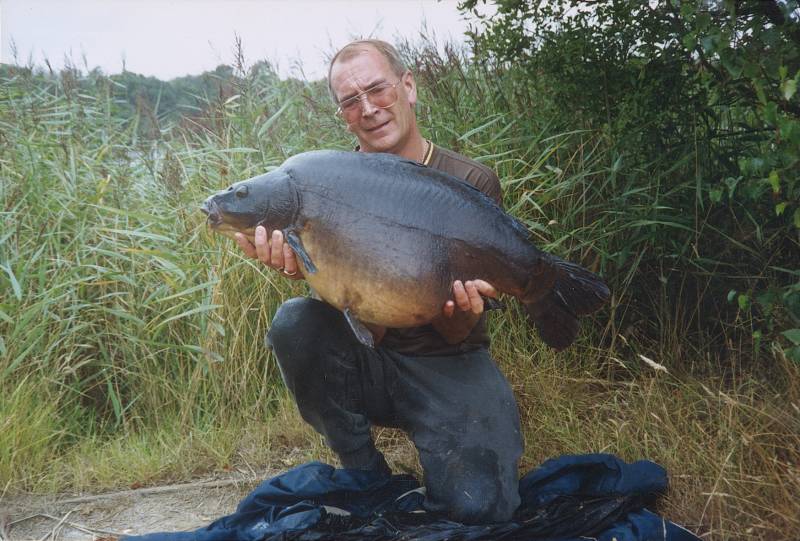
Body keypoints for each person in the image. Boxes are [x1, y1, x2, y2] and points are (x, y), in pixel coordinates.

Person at [234, 39, 523, 524]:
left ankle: (449, 446)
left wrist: (464, 311)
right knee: (295, 322)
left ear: (407, 87)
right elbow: (344, 307)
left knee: (480, 511)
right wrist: (299, 267)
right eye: (350, 101)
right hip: (369, 353)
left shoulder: (471, 181)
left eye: (377, 89)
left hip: (449, 358)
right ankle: (365, 473)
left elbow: (463, 333)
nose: (368, 109)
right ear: (342, 115)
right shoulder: (327, 184)